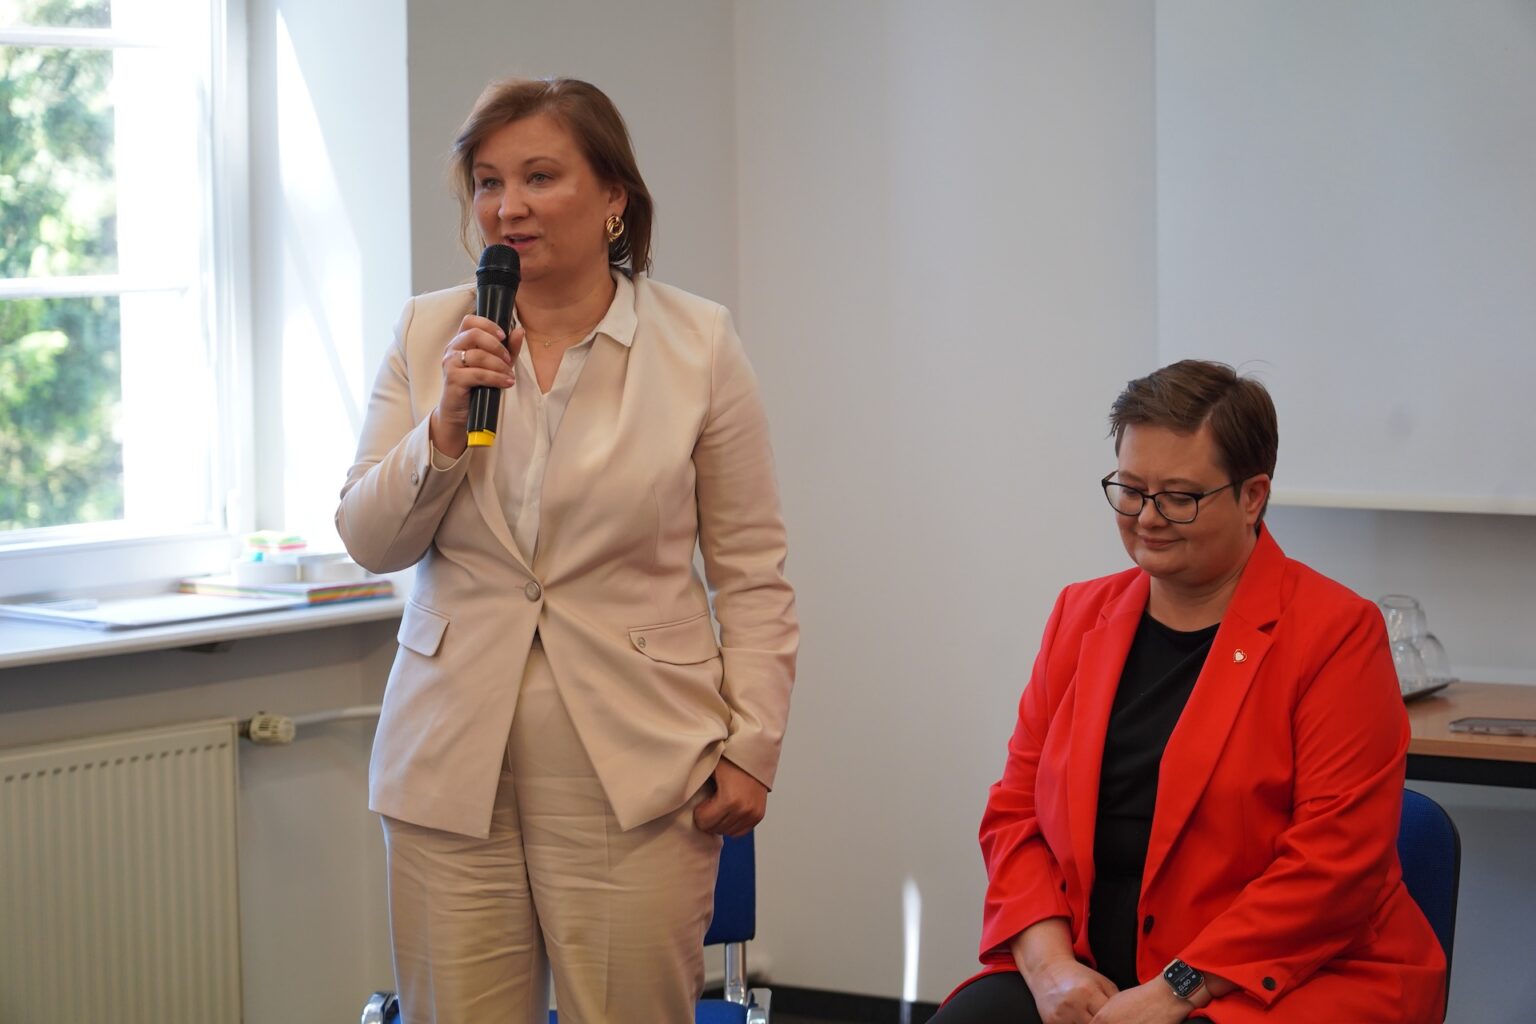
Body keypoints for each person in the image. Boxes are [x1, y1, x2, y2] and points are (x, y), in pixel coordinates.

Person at [336, 77, 797, 1023]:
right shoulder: (429, 334)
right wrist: (442, 426)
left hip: (635, 760)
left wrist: (753, 744)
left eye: (540, 177)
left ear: (614, 196)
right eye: (488, 182)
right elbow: (369, 540)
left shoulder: (697, 342)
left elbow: (752, 572)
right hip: (449, 759)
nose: (508, 206)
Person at [931, 361, 1444, 1023]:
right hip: (1089, 968)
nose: (1147, 518)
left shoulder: (1336, 634)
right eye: (1130, 490)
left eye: (1179, 497)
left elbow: (1333, 866)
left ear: (1253, 496)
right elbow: (1015, 815)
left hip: (1274, 982)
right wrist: (1049, 967)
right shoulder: (1079, 615)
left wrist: (1174, 990)